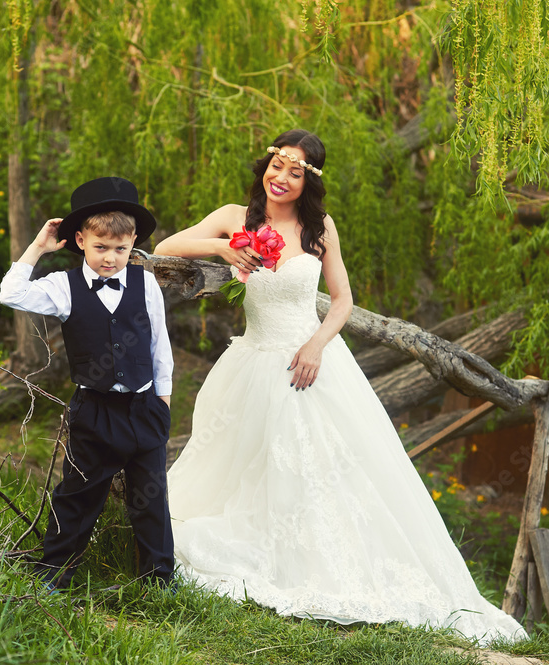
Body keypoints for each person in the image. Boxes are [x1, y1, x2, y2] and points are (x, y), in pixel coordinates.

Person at [154, 130, 527, 644]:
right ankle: (259, 545)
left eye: (296, 171)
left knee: (320, 466)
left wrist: (315, 345)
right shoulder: (235, 214)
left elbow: (344, 300)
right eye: (277, 165)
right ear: (266, 165)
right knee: (246, 462)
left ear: (308, 181)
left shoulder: (318, 227)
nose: (281, 178)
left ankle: (322, 558)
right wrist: (227, 247)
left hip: (309, 361)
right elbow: (165, 247)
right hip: (252, 361)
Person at [0, 176, 174, 591]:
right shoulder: (63, 286)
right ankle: (55, 575)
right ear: (80, 240)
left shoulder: (145, 282)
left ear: (133, 244)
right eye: (101, 248)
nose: (111, 258)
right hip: (94, 411)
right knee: (78, 495)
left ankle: (158, 580)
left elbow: (159, 343)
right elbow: (11, 293)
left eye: (120, 249)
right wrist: (38, 247)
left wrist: (163, 401)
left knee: (150, 498)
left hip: (144, 406)